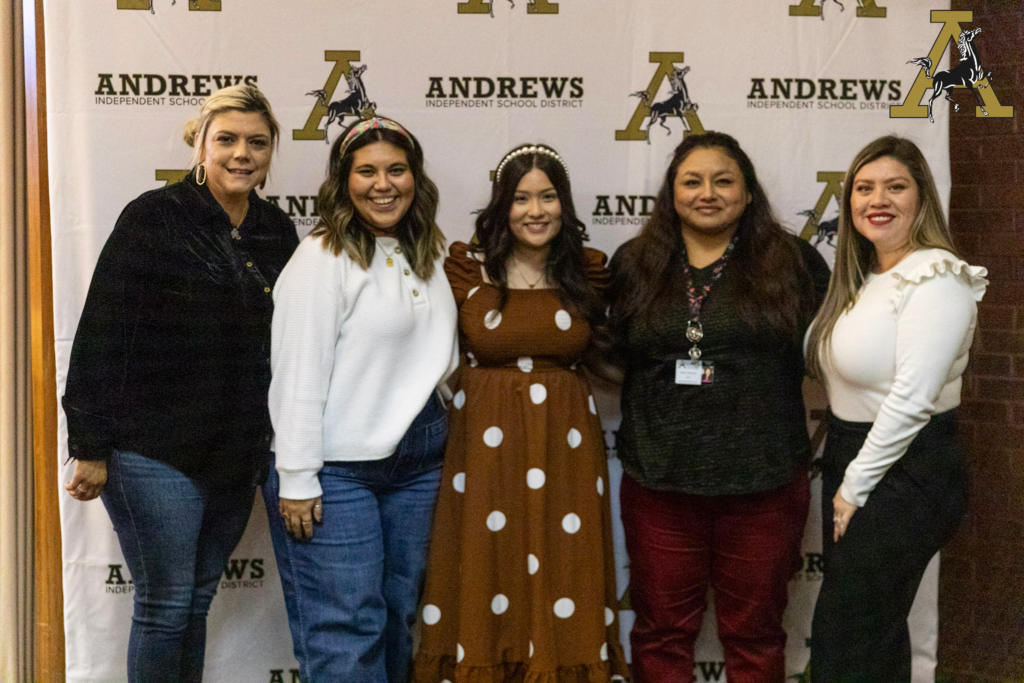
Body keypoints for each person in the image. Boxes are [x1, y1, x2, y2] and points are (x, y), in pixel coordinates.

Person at [61, 85, 298, 683]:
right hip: (152, 450)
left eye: (257, 142)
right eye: (227, 139)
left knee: (194, 601)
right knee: (166, 606)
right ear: (199, 144)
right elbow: (100, 331)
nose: (241, 153)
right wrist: (88, 446)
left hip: (236, 451)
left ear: (271, 153)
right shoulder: (153, 217)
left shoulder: (276, 230)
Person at [608, 131, 831, 683]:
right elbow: (612, 354)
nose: (707, 193)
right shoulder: (635, 263)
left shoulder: (791, 261)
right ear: (672, 192)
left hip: (764, 484)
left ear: (748, 192)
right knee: (660, 633)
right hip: (659, 483)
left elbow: (831, 352)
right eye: (692, 181)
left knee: (754, 635)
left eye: (724, 180)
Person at [413, 144, 629, 682]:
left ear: (565, 203)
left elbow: (620, 351)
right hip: (484, 443)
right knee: (486, 559)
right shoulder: (468, 267)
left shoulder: (590, 270)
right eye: (521, 198)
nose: (536, 210)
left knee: (565, 561)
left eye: (548, 197)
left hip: (566, 443)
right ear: (501, 207)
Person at [264, 115, 459, 683]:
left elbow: (435, 359)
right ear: (342, 183)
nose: (383, 184)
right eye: (366, 171)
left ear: (415, 178)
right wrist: (297, 476)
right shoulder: (323, 257)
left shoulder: (427, 250)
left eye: (396, 170)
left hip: (418, 464)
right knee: (345, 632)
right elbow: (296, 373)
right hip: (337, 472)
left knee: (398, 620)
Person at [805, 136, 987, 682]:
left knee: (847, 637)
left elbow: (912, 400)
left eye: (895, 186)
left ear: (921, 197)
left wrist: (854, 485)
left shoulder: (937, 276)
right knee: (871, 635)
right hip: (853, 457)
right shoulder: (867, 279)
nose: (877, 199)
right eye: (864, 188)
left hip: (904, 469)